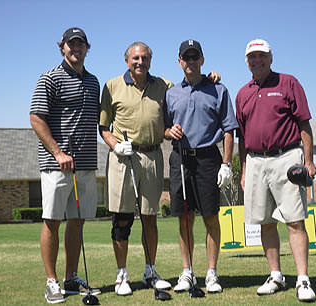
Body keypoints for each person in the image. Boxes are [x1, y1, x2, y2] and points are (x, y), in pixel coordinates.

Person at [99, 41, 221, 296]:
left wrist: (209, 78)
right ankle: (122, 274)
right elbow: (103, 127)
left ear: (150, 61)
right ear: (127, 61)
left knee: (149, 218)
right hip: (124, 158)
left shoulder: (163, 86)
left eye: (145, 58)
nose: (140, 62)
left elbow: (190, 88)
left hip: (153, 156)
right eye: (135, 58)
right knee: (121, 220)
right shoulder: (111, 86)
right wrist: (115, 145)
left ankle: (150, 270)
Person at [236, 39, 316, 302]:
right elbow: (242, 137)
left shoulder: (288, 83)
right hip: (256, 162)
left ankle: (303, 279)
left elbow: (304, 124)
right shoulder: (242, 93)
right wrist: (244, 169)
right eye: (252, 57)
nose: (256, 60)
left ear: (271, 58)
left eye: (261, 56)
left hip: (287, 158)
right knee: (266, 223)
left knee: (294, 221)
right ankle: (276, 276)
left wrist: (309, 161)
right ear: (246, 61)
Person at [30, 27, 100, 304]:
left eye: (80, 44)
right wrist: (58, 152)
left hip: (85, 165)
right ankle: (52, 282)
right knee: (52, 221)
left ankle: (71, 277)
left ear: (87, 48)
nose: (76, 48)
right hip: (56, 165)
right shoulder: (50, 78)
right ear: (62, 47)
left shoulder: (93, 82)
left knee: (77, 221)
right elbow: (36, 117)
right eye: (71, 44)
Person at [164, 39, 238, 294]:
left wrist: (226, 164)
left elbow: (229, 130)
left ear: (202, 60)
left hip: (208, 159)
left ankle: (211, 273)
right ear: (180, 61)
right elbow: (164, 127)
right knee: (185, 220)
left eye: (195, 57)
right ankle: (187, 273)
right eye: (187, 57)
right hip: (180, 158)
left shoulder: (219, 89)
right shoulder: (171, 92)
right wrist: (168, 131)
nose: (191, 61)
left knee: (210, 217)